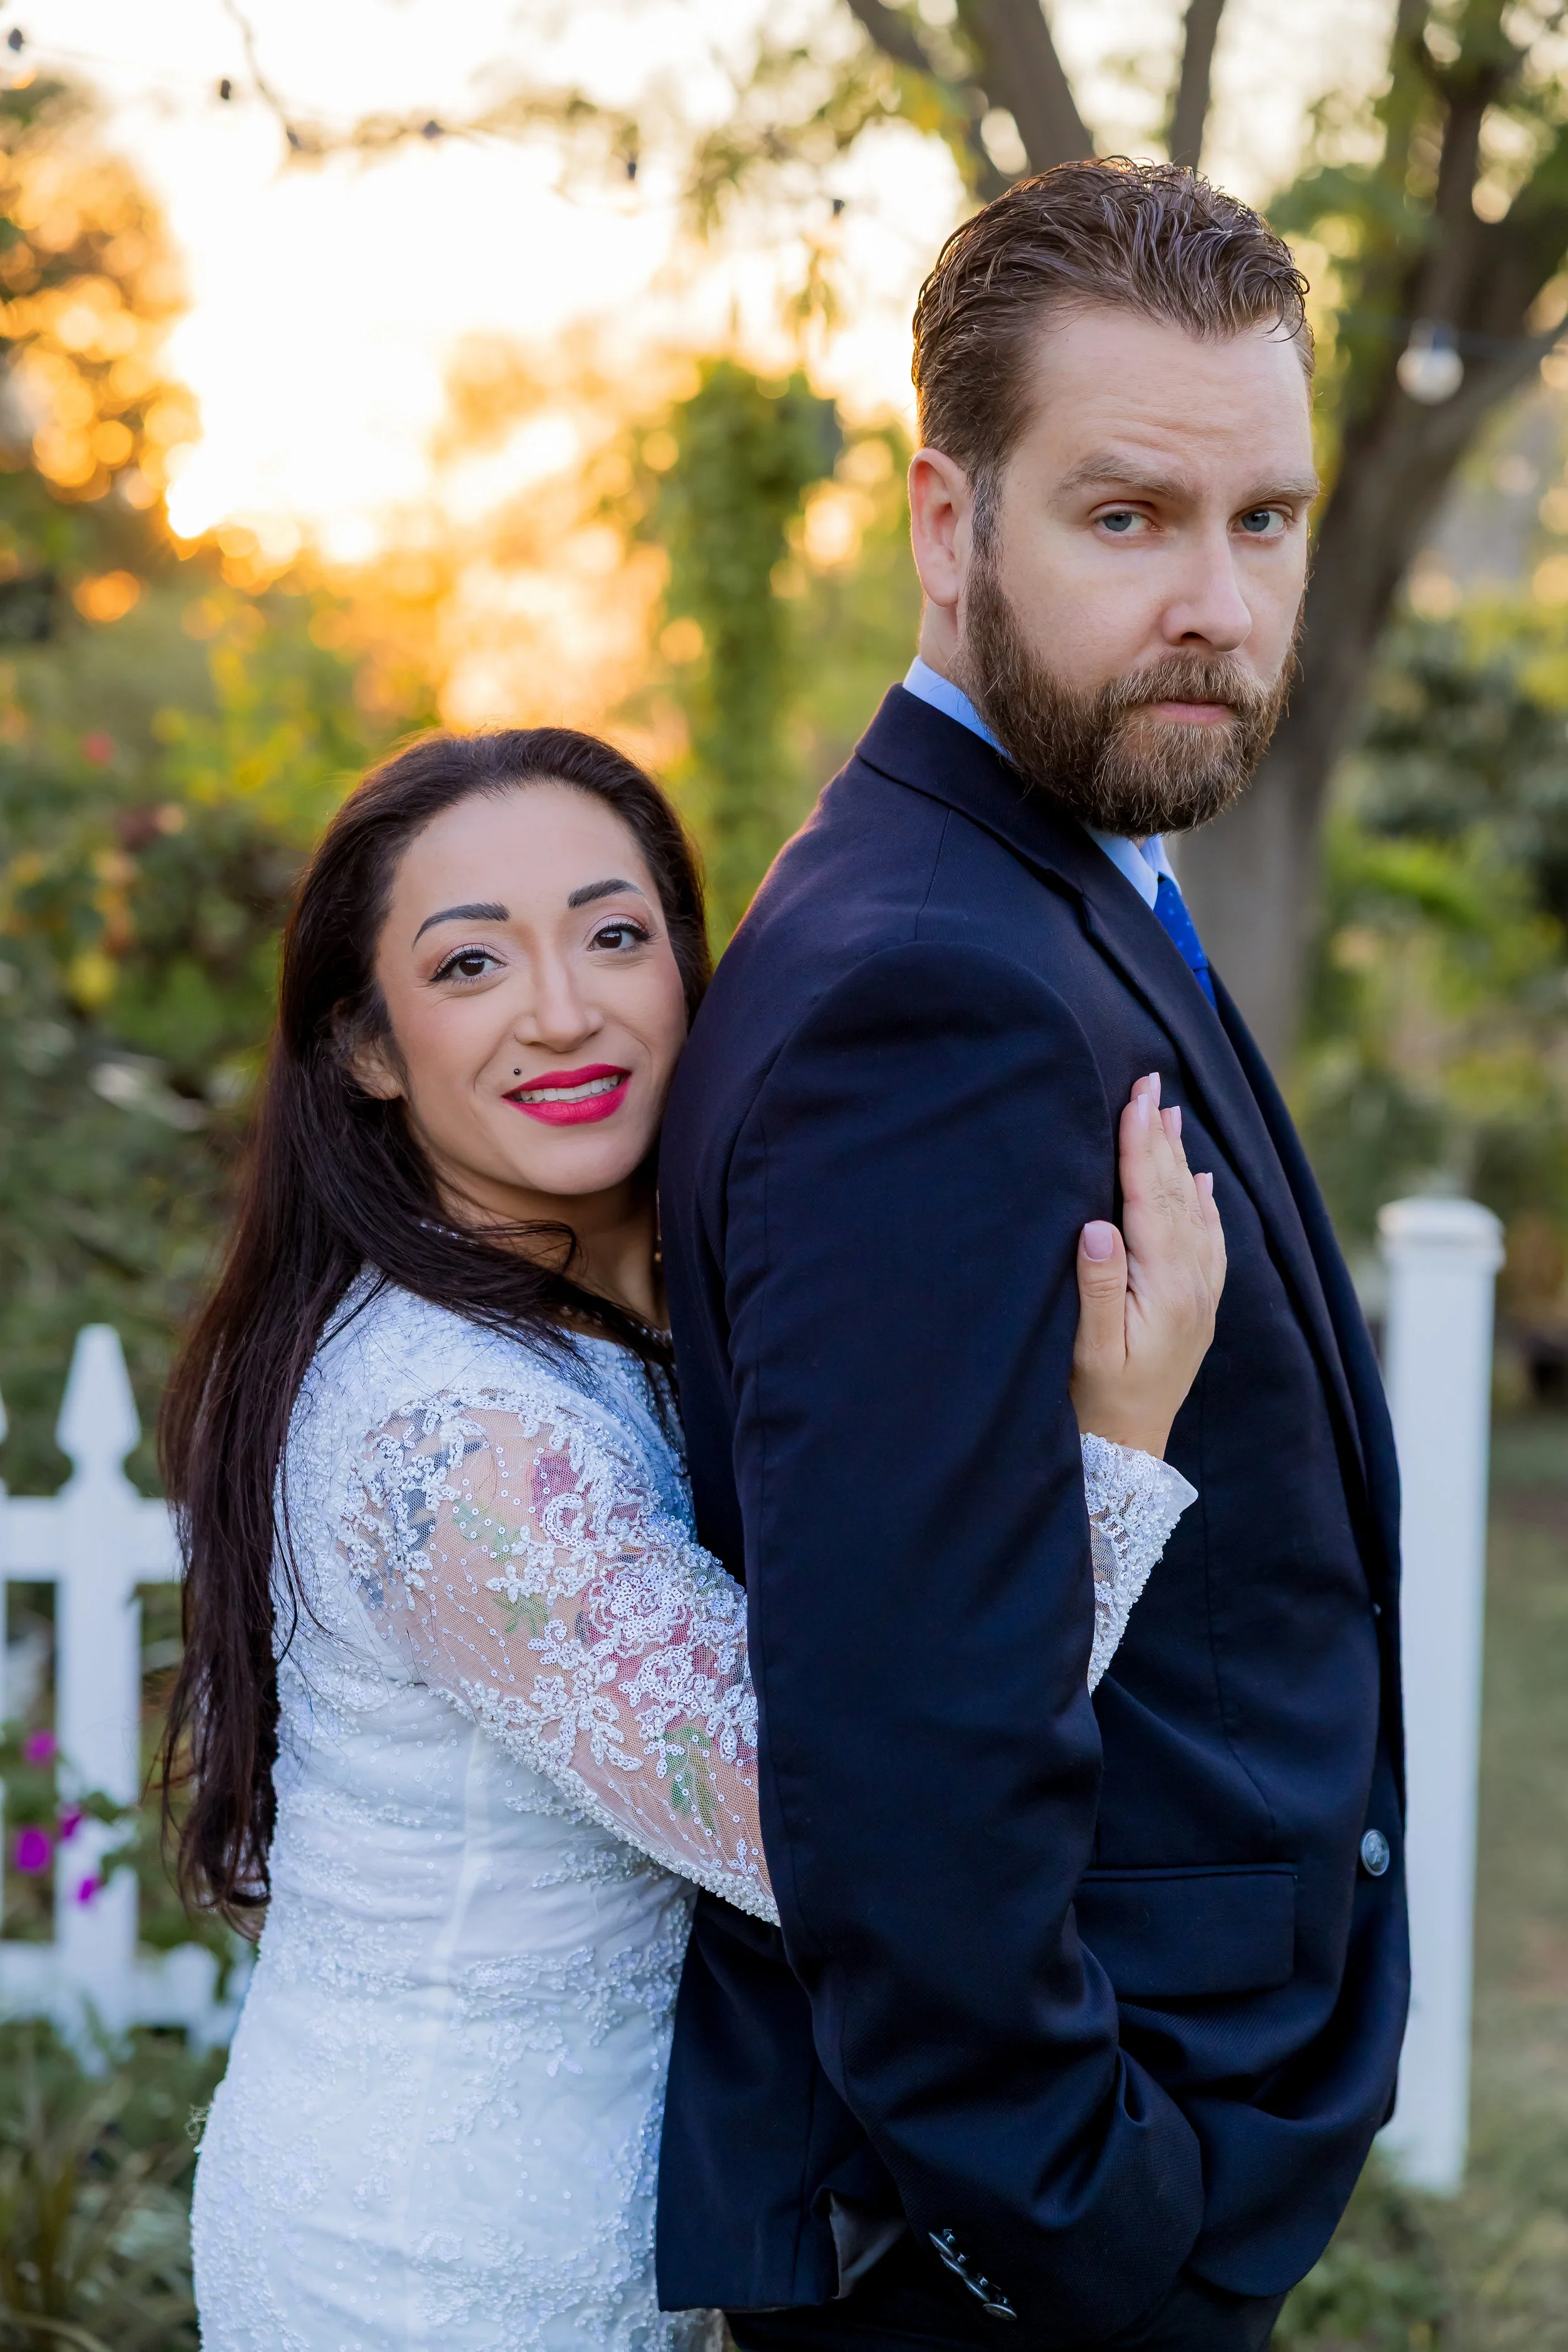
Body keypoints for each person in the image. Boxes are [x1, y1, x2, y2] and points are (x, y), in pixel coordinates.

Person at [166, 724, 1223, 2351]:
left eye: (613, 933)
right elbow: (853, 1827)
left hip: (589, 2245)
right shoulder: (453, 1436)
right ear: (367, 1046)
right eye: (470, 964)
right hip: (419, 2276)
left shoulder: (587, 1326)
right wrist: (1120, 1440)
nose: (564, 1008)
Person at [654, 160, 1408, 2352]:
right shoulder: (928, 991)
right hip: (1022, 2251)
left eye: (1261, 519)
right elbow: (893, 1746)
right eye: (1124, 516)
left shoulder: (1061, 878)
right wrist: (1081, 2219)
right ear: (944, 522)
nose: (1214, 599)